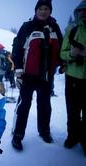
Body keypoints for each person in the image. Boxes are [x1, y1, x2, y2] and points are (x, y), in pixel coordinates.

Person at [11, 0, 63, 151]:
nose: (43, 11)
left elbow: (60, 47)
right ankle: (18, 135)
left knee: (45, 105)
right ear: (36, 10)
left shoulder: (55, 27)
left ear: (50, 11)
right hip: (28, 75)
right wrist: (18, 70)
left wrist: (61, 62)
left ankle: (44, 131)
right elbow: (17, 48)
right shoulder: (27, 26)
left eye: (46, 8)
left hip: (47, 76)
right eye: (40, 8)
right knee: (24, 105)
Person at [60, 0, 86, 156]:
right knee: (72, 111)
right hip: (72, 78)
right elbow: (62, 53)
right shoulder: (72, 29)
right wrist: (71, 54)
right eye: (81, 10)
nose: (83, 13)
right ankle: (72, 137)